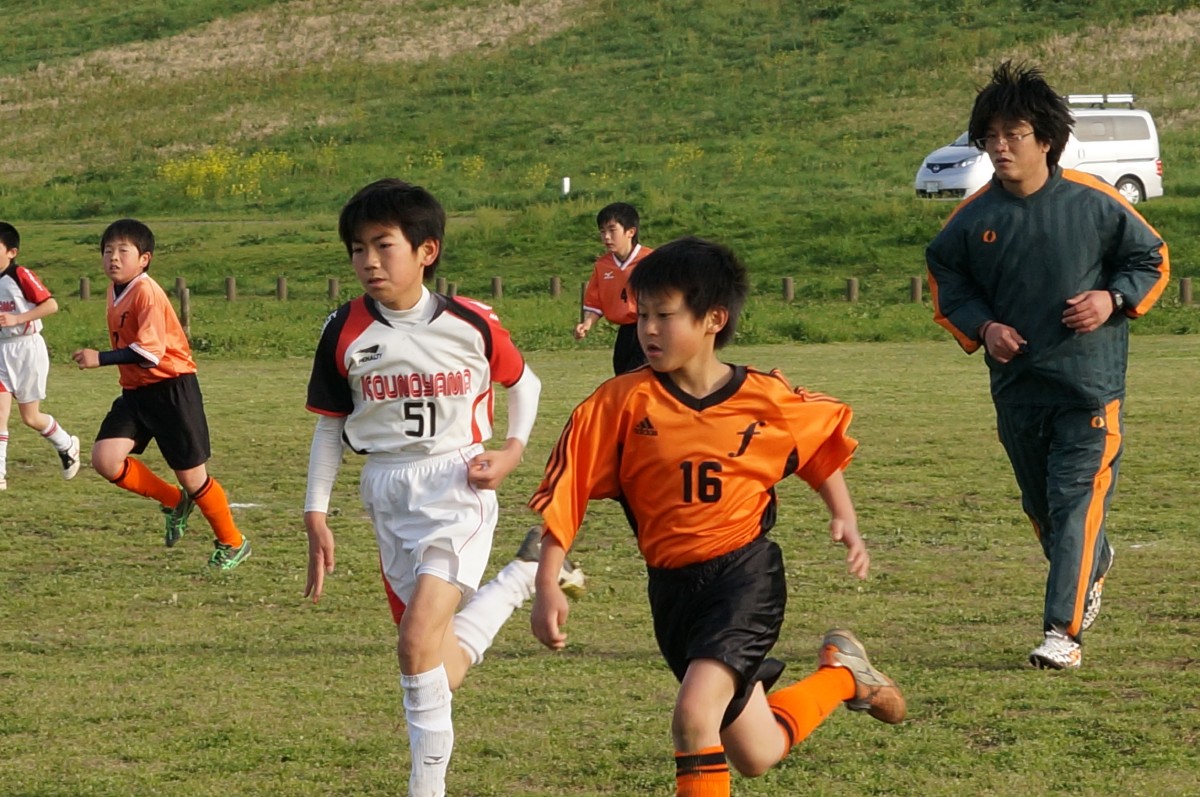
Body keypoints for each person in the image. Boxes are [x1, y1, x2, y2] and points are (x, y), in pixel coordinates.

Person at [529, 236, 905, 797]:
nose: (648, 329)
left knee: (693, 717)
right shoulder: (617, 404)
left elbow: (816, 444)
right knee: (756, 751)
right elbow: (567, 492)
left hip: (743, 578)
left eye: (664, 315)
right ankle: (844, 676)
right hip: (672, 591)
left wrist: (844, 516)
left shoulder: (764, 397)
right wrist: (546, 583)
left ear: (713, 319)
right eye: (642, 315)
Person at [302, 178, 586, 797]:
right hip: (386, 490)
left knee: (413, 644)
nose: (369, 261)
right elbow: (329, 425)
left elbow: (525, 383)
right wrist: (315, 511)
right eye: (357, 249)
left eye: (383, 245)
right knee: (433, 661)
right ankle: (519, 578)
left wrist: (511, 451)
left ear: (426, 250)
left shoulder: (470, 322)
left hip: (457, 484)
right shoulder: (343, 329)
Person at [926, 62, 1170, 670]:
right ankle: (1094, 562)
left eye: (1014, 134)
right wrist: (985, 328)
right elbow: (947, 281)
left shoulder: (1096, 202)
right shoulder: (970, 220)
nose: (1000, 147)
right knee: (1043, 511)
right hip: (1018, 391)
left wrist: (1112, 298)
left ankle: (1062, 634)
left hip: (1089, 390)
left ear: (1047, 140)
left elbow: (1152, 257)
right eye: (990, 136)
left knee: (1074, 506)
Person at [71, 219, 251, 570]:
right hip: (136, 392)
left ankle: (233, 541)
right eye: (108, 250)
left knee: (193, 477)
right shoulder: (115, 289)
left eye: (123, 251)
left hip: (171, 390)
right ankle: (173, 500)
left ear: (144, 259)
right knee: (105, 459)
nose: (113, 257)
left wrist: (100, 358)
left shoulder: (146, 292)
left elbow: (150, 353)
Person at [0, 221, 81, 490]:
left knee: (30, 417)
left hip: (27, 349)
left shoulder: (20, 274)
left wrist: (17, 318)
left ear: (11, 252)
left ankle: (66, 444)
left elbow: (51, 305)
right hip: (1, 351)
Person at [574, 202, 654, 375]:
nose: (606, 237)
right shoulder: (602, 265)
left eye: (612, 230)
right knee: (622, 378)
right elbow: (595, 302)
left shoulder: (651, 260)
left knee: (638, 378)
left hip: (649, 328)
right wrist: (587, 324)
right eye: (602, 231)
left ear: (630, 232)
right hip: (625, 333)